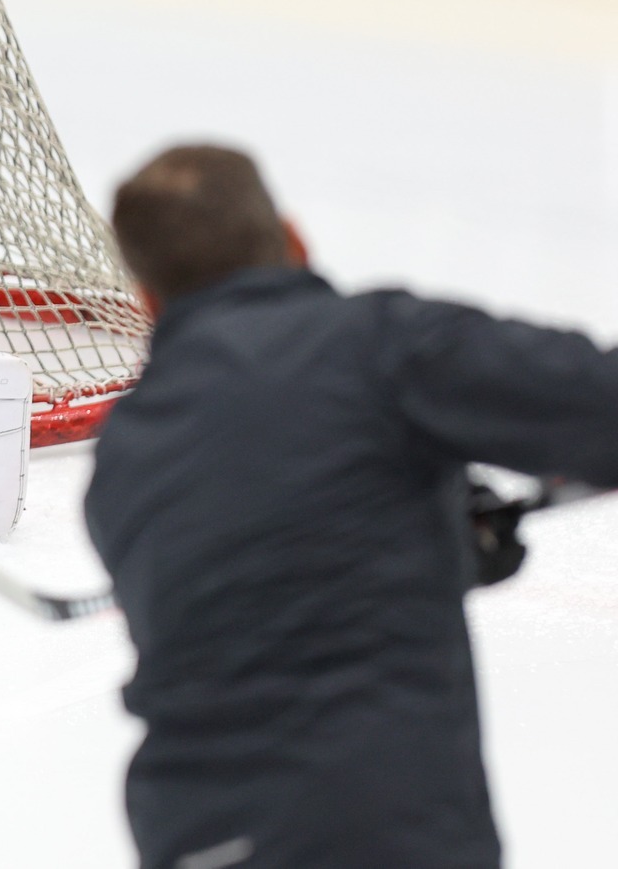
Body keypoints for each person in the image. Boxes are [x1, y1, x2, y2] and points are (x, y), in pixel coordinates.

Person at [85, 145, 618, 869]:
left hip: (192, 836)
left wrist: (436, 529)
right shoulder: (380, 344)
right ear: (294, 240)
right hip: (372, 828)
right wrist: (442, 528)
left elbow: (267, 590)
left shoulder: (122, 453)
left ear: (146, 299)